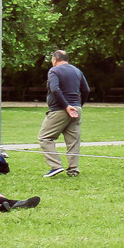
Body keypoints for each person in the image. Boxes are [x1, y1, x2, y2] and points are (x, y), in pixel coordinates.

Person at [39, 49, 89, 179]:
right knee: (73, 141)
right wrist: (78, 105)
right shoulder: (77, 71)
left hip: (60, 110)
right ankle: (73, 169)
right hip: (76, 109)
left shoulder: (54, 71)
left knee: (45, 137)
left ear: (55, 59)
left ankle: (55, 166)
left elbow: (55, 89)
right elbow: (86, 90)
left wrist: (66, 106)